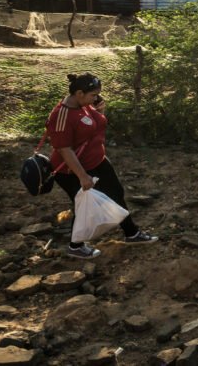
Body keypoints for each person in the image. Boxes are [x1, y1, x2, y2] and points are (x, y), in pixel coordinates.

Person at [47, 72, 157, 259]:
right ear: (79, 93)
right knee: (83, 206)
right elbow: (65, 149)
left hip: (98, 161)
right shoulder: (62, 115)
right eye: (93, 95)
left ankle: (132, 233)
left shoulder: (85, 106)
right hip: (71, 170)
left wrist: (100, 111)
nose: (96, 98)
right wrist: (82, 176)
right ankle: (76, 246)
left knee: (116, 194)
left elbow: (95, 127)